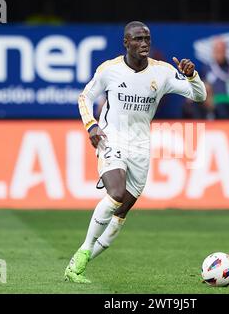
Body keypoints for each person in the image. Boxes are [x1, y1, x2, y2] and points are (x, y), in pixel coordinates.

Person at [65, 21, 207, 283]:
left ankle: (75, 266)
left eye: (147, 39)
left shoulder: (162, 73)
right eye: (138, 39)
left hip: (142, 148)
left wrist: (192, 76)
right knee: (116, 193)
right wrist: (91, 126)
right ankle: (84, 249)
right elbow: (84, 97)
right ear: (126, 43)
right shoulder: (109, 70)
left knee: (120, 213)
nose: (144, 44)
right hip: (112, 140)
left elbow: (199, 96)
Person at [202, 37, 229, 119]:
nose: (219, 53)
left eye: (222, 50)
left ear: (226, 51)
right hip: (215, 103)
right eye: (217, 51)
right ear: (213, 51)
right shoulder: (207, 68)